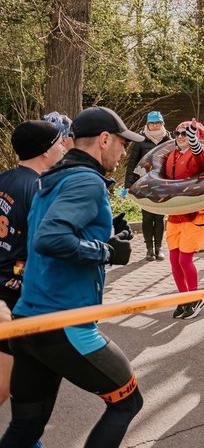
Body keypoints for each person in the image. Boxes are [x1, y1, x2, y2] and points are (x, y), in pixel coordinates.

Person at [1, 107, 143, 447]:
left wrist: (106, 234)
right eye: (122, 144)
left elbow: (49, 234)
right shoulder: (86, 180)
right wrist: (107, 251)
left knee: (25, 430)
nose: (124, 154)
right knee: (128, 403)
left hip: (28, 323)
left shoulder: (50, 179)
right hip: (64, 322)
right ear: (104, 140)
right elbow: (49, 239)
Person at [0, 121, 67, 404]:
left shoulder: (4, 178)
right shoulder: (40, 189)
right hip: (16, 294)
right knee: (7, 385)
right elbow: (47, 244)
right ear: (45, 151)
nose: (64, 147)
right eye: (60, 143)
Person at [164, 120, 204, 320]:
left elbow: (200, 159)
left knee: (185, 259)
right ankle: (183, 297)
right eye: (178, 133)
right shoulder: (172, 155)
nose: (181, 137)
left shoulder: (200, 156)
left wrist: (194, 140)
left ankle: (195, 297)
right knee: (174, 260)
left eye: (186, 134)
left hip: (194, 214)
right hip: (175, 216)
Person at [125, 111, 171, 261]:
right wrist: (128, 184)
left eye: (158, 123)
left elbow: (172, 163)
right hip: (144, 184)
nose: (155, 125)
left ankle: (159, 248)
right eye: (152, 123)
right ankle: (149, 249)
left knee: (159, 217)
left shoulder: (168, 139)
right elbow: (132, 163)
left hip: (162, 184)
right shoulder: (140, 140)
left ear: (162, 124)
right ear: (147, 124)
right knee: (147, 217)